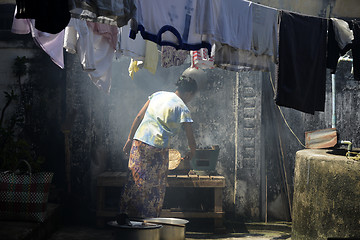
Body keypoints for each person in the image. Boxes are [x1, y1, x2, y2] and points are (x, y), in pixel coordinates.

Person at [118, 75, 198, 221]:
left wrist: (129, 139)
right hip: (157, 149)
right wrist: (192, 151)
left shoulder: (157, 95)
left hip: (139, 143)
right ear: (189, 93)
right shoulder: (182, 108)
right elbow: (190, 137)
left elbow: (138, 117)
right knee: (154, 188)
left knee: (135, 181)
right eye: (192, 96)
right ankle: (149, 223)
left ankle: (125, 220)